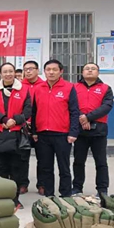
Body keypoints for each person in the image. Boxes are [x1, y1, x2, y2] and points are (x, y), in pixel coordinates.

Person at [31, 60, 80, 198]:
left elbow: (74, 112)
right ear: (44, 72)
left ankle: (65, 195)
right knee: (46, 167)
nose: (51, 72)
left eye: (54, 69)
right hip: (42, 134)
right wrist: (34, 131)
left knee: (64, 167)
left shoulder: (69, 87)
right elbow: (34, 112)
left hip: (62, 134)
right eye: (48, 70)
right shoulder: (38, 88)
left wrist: (73, 132)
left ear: (61, 71)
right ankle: (49, 195)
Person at [0, 63, 32, 211]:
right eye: (5, 71)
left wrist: (15, 120)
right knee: (1, 168)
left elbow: (28, 110)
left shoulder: (24, 90)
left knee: (16, 168)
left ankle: (15, 199)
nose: (8, 74)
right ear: (0, 74)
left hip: (17, 133)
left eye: (10, 71)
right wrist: (4, 120)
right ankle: (2, 199)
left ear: (15, 73)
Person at [73, 63, 114, 196]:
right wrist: (82, 118)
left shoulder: (105, 88)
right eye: (87, 69)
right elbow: (71, 105)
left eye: (93, 69)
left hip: (99, 131)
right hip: (80, 130)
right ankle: (77, 188)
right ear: (82, 72)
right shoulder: (74, 87)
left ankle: (102, 189)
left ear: (98, 72)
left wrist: (88, 117)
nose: (90, 71)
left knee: (101, 162)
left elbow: (106, 106)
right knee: (78, 161)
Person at [21, 60, 47, 195]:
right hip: (23, 127)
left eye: (31, 68)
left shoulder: (44, 86)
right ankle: (22, 183)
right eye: (26, 69)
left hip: (40, 127)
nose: (28, 71)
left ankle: (42, 184)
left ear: (38, 70)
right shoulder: (19, 86)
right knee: (22, 158)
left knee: (43, 158)